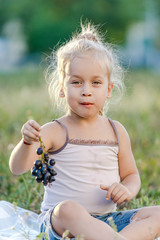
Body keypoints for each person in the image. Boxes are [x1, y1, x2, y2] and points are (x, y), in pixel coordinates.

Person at [9, 23, 160, 240]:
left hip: (107, 222)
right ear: (62, 87)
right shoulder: (54, 131)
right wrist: (26, 142)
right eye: (76, 82)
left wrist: (127, 189)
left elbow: (131, 175)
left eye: (96, 83)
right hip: (62, 223)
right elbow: (17, 168)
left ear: (109, 90)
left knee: (158, 214)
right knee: (67, 209)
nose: (86, 91)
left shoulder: (117, 131)